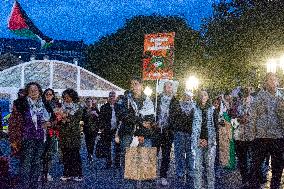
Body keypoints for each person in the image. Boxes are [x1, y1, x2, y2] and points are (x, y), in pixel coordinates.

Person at [9, 82, 51, 189]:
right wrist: (13, 140)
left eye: (35, 90)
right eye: (31, 90)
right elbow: (13, 122)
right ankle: (24, 186)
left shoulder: (45, 103)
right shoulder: (20, 103)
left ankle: (33, 186)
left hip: (41, 138)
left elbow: (53, 118)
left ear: (39, 91)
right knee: (26, 164)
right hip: (26, 138)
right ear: (27, 92)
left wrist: (50, 123)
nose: (33, 92)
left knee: (37, 163)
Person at [249, 72, 284, 189]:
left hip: (278, 136)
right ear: (265, 83)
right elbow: (253, 116)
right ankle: (254, 186)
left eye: (274, 80)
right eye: (270, 80)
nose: (273, 82)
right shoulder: (259, 97)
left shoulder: (282, 97)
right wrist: (252, 135)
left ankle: (275, 186)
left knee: (278, 166)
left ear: (278, 81)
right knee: (255, 166)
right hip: (261, 136)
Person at [191, 90, 216, 189]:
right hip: (197, 142)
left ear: (208, 97)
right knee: (197, 167)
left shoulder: (213, 110)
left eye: (205, 94)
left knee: (210, 167)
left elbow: (216, 128)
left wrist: (208, 141)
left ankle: (210, 186)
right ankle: (198, 187)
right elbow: (190, 126)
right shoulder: (194, 109)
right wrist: (198, 140)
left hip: (210, 142)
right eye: (201, 95)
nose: (203, 96)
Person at [155, 80, 178, 186]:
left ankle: (163, 176)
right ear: (163, 88)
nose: (168, 89)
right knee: (153, 153)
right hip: (156, 130)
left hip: (168, 132)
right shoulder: (156, 99)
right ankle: (151, 173)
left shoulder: (175, 101)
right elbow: (151, 112)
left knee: (166, 156)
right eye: (167, 87)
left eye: (170, 87)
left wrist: (171, 125)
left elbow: (177, 117)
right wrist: (154, 122)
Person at [59, 89, 83, 182]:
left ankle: (78, 174)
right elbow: (59, 120)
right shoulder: (61, 107)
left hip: (74, 135)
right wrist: (61, 119)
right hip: (64, 134)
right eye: (64, 97)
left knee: (75, 155)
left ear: (72, 97)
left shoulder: (78, 107)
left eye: (68, 97)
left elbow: (77, 120)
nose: (66, 99)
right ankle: (67, 173)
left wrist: (67, 118)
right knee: (65, 154)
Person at [232, 87, 254, 188]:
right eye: (245, 91)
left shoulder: (255, 102)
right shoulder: (237, 103)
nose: (246, 92)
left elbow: (259, 118)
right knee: (242, 159)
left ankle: (253, 179)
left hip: (252, 135)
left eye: (248, 90)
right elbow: (231, 119)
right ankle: (245, 179)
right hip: (239, 136)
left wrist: (249, 119)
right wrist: (239, 120)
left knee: (253, 158)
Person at [172, 91, 194, 182]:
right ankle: (180, 172)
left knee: (190, 153)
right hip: (179, 132)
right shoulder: (178, 105)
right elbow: (174, 117)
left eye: (189, 95)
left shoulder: (194, 106)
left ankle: (190, 171)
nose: (187, 97)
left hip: (190, 133)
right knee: (179, 153)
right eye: (185, 95)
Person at [99, 91, 120, 168]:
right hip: (107, 129)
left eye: (113, 96)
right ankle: (108, 162)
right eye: (110, 96)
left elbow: (121, 117)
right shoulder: (104, 107)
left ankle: (117, 163)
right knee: (107, 147)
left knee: (117, 146)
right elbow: (100, 119)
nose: (112, 98)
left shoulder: (119, 107)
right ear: (108, 97)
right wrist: (102, 128)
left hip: (117, 129)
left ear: (116, 98)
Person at [41, 88, 58, 182]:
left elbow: (58, 119)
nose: (48, 95)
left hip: (51, 131)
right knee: (41, 153)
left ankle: (47, 172)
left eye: (50, 94)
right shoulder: (40, 104)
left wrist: (52, 123)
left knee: (49, 153)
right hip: (41, 132)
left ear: (53, 96)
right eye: (46, 94)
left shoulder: (55, 105)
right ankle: (40, 172)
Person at [82, 97, 99, 162]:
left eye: (90, 101)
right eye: (87, 102)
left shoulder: (95, 109)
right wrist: (88, 114)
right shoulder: (84, 110)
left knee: (92, 142)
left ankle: (91, 154)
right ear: (86, 103)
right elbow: (82, 118)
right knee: (87, 142)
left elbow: (99, 117)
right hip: (86, 129)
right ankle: (89, 153)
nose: (89, 103)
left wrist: (96, 114)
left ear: (92, 102)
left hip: (94, 129)